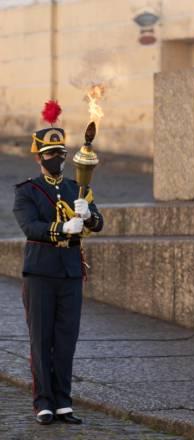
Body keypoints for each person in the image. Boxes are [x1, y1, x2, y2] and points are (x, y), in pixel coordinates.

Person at [13, 100, 104, 425]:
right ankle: (43, 402)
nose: (57, 159)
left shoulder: (75, 186)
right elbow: (30, 227)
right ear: (38, 157)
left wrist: (88, 216)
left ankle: (64, 401)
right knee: (42, 340)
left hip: (69, 271)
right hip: (40, 271)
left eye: (60, 154)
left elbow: (99, 223)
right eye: (50, 154)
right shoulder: (28, 191)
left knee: (66, 339)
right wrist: (62, 227)